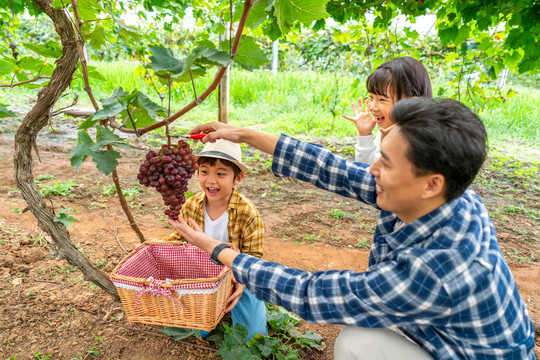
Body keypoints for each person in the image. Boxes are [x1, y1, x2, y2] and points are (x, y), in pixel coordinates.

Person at [168, 97, 536, 359]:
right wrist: (243, 134)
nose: (372, 170)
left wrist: (215, 249)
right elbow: (333, 169)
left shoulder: (435, 270)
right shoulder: (448, 197)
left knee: (355, 343)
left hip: (471, 353)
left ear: (431, 183)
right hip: (449, 334)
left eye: (385, 163)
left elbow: (314, 295)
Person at [163, 139, 267, 340]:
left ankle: (240, 302)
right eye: (204, 172)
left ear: (238, 178)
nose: (211, 181)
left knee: (253, 336)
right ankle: (208, 312)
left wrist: (242, 284)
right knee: (196, 329)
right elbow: (178, 240)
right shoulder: (191, 205)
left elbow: (254, 257)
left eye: (221, 174)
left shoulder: (248, 213)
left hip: (237, 275)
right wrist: (150, 249)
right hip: (202, 275)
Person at [343, 56, 432, 164]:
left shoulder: (417, 142)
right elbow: (367, 169)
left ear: (412, 104)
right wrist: (365, 134)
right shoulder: (388, 130)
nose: (372, 107)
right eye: (371, 97)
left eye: (382, 99)